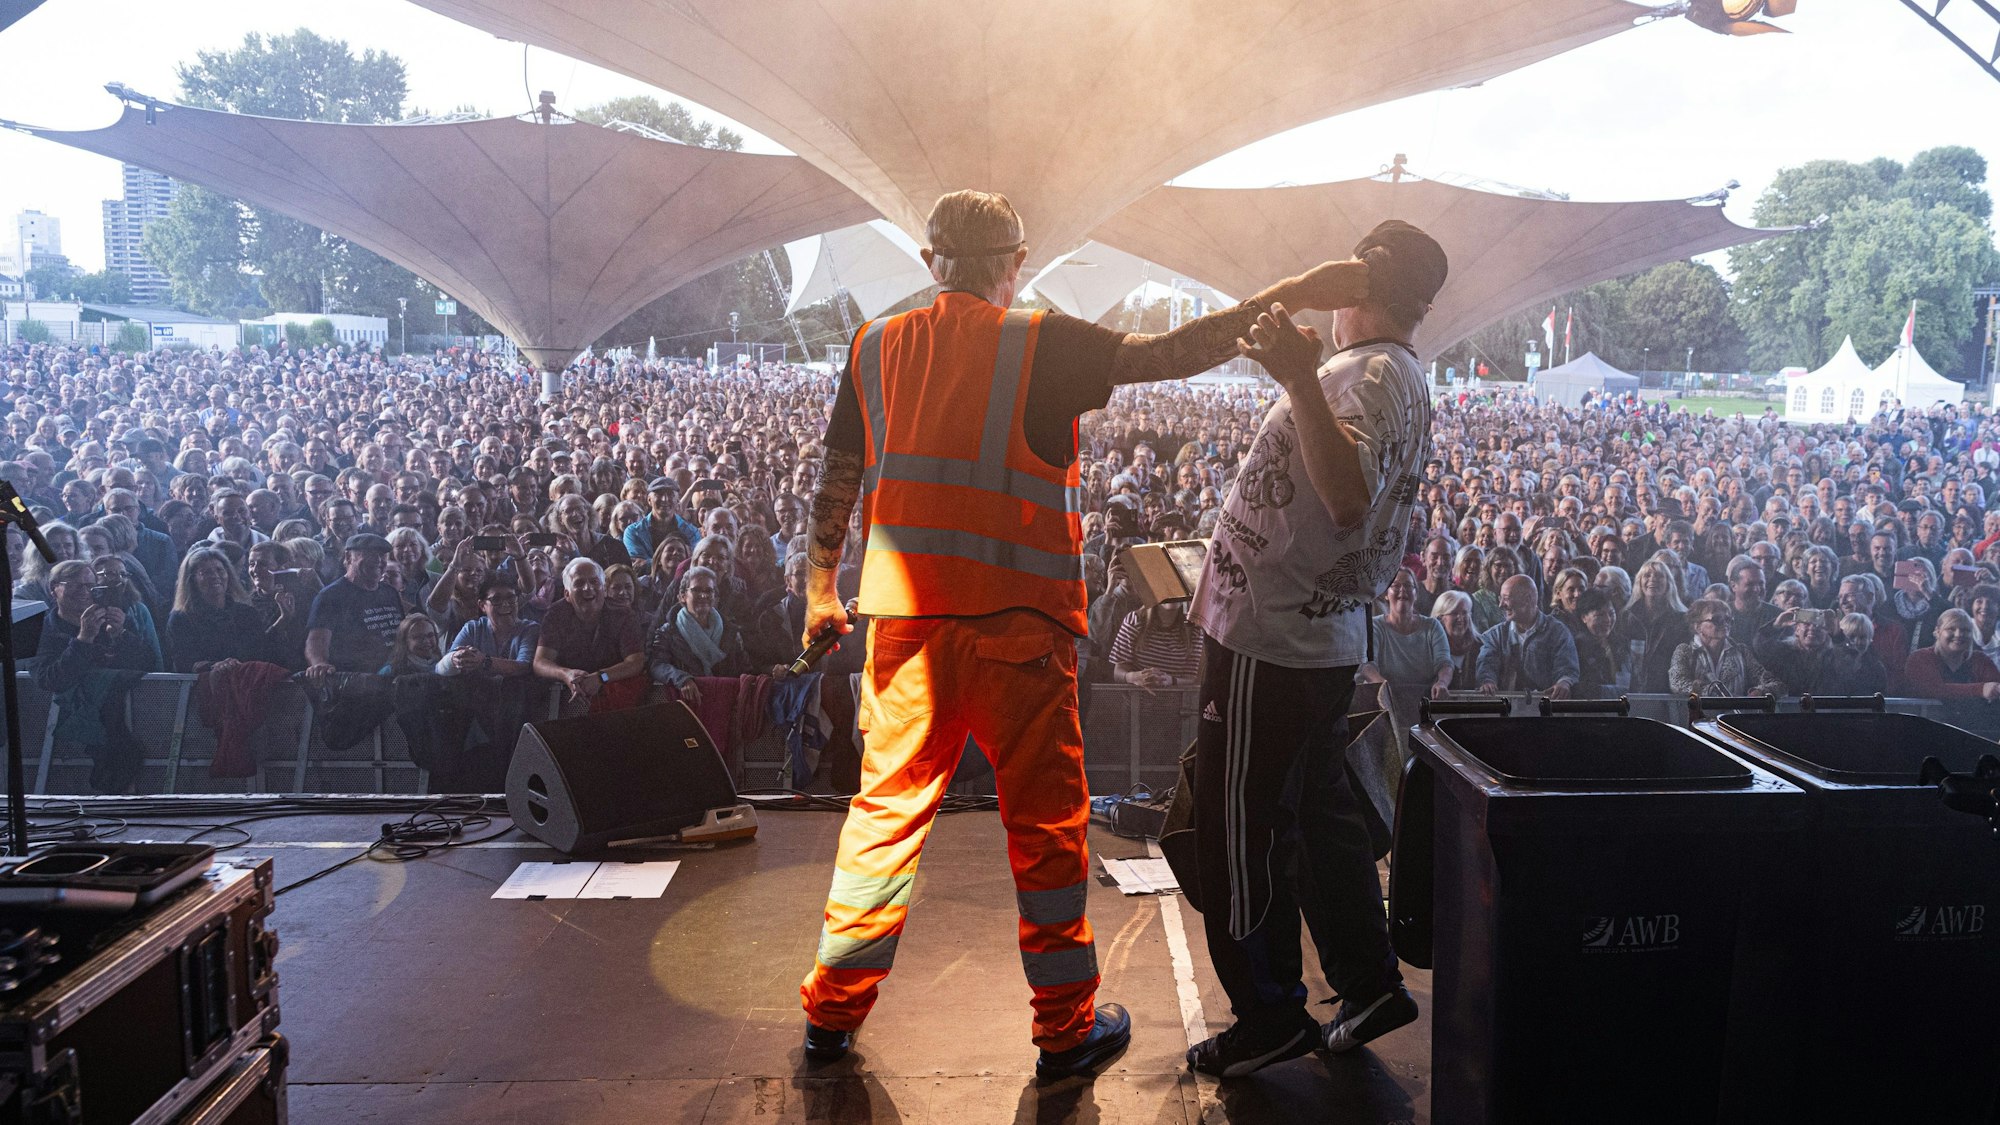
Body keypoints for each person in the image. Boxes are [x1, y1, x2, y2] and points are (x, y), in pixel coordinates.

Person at [797, 188, 1375, 1078]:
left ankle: (832, 1015)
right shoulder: (1038, 339)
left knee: (882, 823)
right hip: (1019, 637)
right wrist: (1295, 288)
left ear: (929, 262)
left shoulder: (874, 345)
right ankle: (1065, 1028)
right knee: (1047, 835)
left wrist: (816, 589)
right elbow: (1179, 351)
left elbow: (837, 477)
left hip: (905, 634)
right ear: (1015, 262)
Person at [1183, 218, 1441, 1076]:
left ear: (1360, 285)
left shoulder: (1363, 373)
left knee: (1238, 832)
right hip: (1317, 638)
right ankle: (1368, 981)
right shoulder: (1401, 373)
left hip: (1274, 643)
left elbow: (1345, 498)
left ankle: (1267, 1013)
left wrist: (1297, 377)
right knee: (1321, 820)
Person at [532, 558, 648, 712]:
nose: (588, 588)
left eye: (594, 582)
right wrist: (566, 674)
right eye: (579, 583)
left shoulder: (623, 614)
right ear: (567, 594)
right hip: (568, 692)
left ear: (604, 589)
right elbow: (540, 662)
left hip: (613, 691)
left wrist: (601, 678)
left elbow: (636, 662)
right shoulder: (556, 614)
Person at [303, 534, 405, 680]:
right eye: (370, 554)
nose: (378, 560)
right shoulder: (331, 596)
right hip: (355, 684)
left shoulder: (390, 592)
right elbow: (316, 640)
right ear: (349, 557)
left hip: (394, 679)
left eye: (383, 555)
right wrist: (319, 664)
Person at [648, 564, 758, 700]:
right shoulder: (668, 632)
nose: (703, 595)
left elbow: (745, 669)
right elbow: (657, 665)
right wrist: (682, 679)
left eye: (709, 591)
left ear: (715, 598)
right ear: (682, 596)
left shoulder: (730, 632)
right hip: (686, 701)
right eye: (697, 590)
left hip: (724, 701)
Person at [1896, 607, 2000, 734]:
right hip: (1927, 732)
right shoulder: (1919, 658)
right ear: (1937, 631)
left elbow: (1996, 687)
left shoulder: (1980, 660)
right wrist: (1980, 689)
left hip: (1977, 733)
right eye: (1951, 629)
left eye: (1965, 630)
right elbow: (1933, 689)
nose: (1958, 634)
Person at [1475, 575, 1580, 698]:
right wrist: (1487, 681)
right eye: (1500, 598)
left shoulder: (1557, 633)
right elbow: (1486, 663)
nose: (1500, 605)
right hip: (1504, 709)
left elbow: (1567, 667)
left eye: (1506, 598)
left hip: (1544, 709)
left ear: (1527, 599)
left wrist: (1564, 682)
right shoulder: (1495, 635)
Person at [165, 547, 267, 673]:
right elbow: (184, 663)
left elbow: (260, 655)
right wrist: (215, 666)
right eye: (206, 572)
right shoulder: (181, 619)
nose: (215, 576)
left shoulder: (247, 614)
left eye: (219, 570)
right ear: (192, 579)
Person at [1357, 568, 1452, 700]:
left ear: (1416, 594)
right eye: (1396, 586)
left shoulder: (1432, 626)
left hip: (1424, 699)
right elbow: (1367, 665)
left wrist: (1442, 683)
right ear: (1386, 594)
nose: (1402, 590)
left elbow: (1444, 663)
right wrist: (1385, 688)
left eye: (1408, 586)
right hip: (1384, 700)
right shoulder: (1375, 627)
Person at [1668, 597, 1779, 697]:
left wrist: (1760, 691)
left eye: (1728, 619)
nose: (1725, 624)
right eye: (1717, 620)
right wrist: (1711, 691)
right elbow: (1677, 683)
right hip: (1697, 717)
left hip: (1733, 718)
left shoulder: (1741, 651)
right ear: (1697, 626)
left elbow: (1773, 683)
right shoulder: (1685, 651)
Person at [439, 579, 541, 677]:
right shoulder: (473, 628)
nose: (505, 604)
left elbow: (524, 667)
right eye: (496, 599)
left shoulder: (530, 629)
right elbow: (440, 667)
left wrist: (484, 661)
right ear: (482, 605)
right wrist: (455, 658)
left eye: (511, 598)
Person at [1108, 601, 1200, 688]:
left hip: (1176, 703)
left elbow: (1191, 679)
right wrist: (1134, 677)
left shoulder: (1193, 630)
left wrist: (1171, 681)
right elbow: (1118, 673)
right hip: (1135, 702)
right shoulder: (1135, 620)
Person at [1432, 589, 1482, 692]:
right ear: (1440, 618)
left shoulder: (1481, 647)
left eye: (1464, 613)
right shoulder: (1430, 649)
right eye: (1454, 613)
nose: (1460, 618)